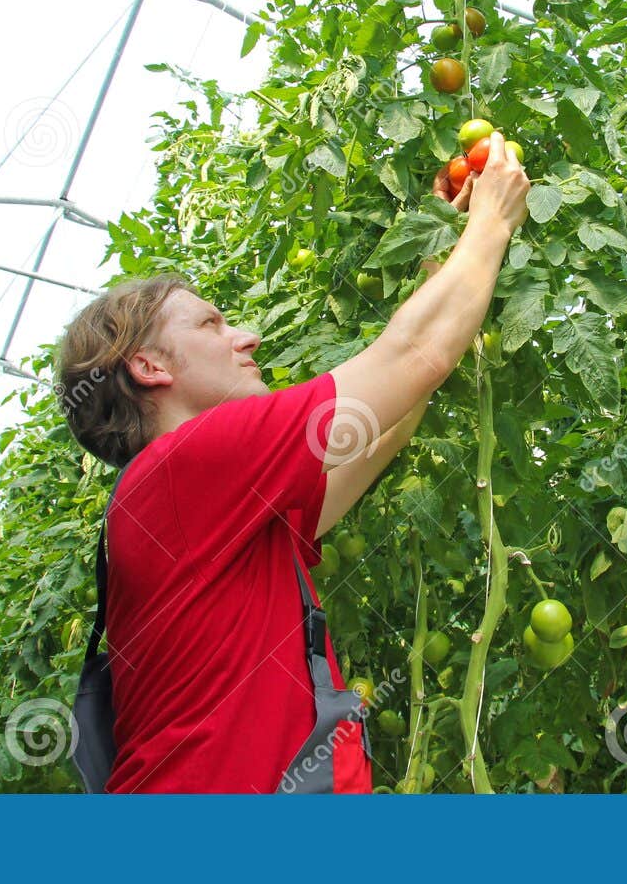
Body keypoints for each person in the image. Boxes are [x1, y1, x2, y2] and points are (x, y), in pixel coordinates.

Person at [52, 134, 530, 793]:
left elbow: (385, 422)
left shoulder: (214, 508)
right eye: (212, 325)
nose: (246, 336)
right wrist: (494, 221)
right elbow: (413, 354)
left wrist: (437, 251)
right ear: (149, 366)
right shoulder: (191, 459)